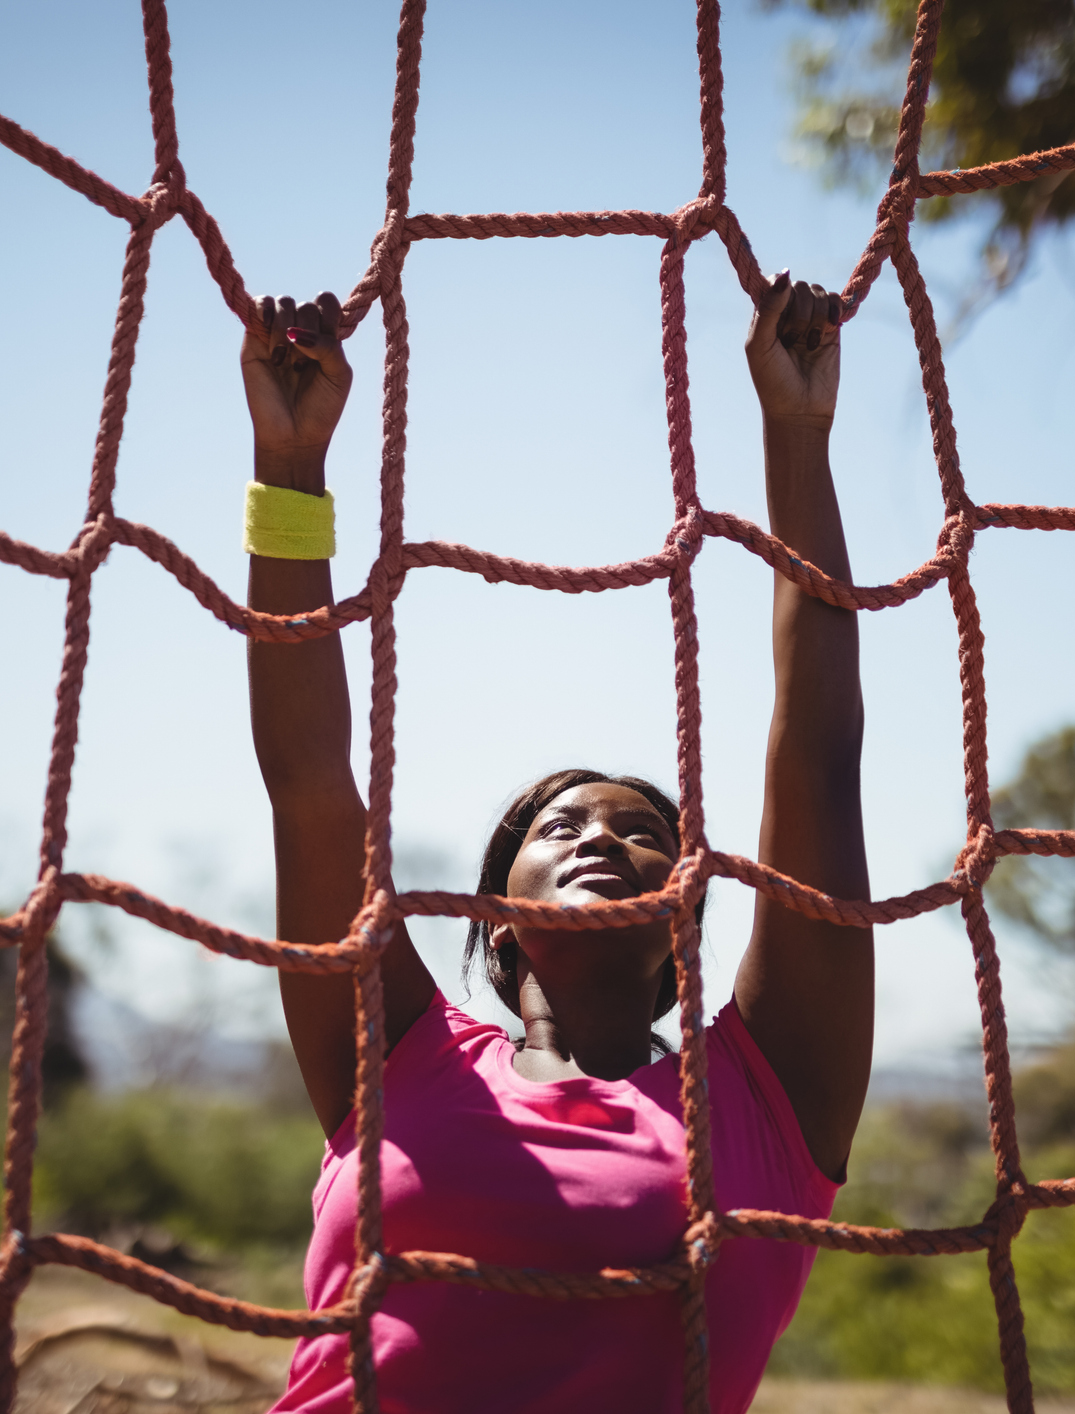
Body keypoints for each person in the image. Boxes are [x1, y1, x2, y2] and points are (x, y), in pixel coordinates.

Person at [240, 270, 871, 1413]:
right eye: (561, 823)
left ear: (687, 913)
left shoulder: (764, 1102)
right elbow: (308, 784)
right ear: (493, 915)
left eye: (643, 833)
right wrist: (289, 470)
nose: (602, 838)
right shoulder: (395, 1060)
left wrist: (797, 437)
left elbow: (819, 757)